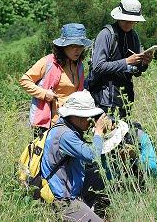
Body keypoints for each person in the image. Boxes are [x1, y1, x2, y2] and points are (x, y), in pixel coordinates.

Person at [40, 90, 109, 222]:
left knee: (99, 174)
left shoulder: (67, 127)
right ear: (76, 116)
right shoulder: (65, 134)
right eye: (88, 117)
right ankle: (76, 212)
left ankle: (89, 207)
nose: (90, 121)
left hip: (70, 187)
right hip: (62, 200)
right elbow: (92, 156)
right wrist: (98, 132)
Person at [20, 23, 92, 138]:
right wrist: (44, 94)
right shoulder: (48, 62)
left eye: (80, 45)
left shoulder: (79, 66)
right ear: (63, 46)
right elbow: (25, 80)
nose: (77, 50)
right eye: (73, 45)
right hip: (47, 125)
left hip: (71, 124)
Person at [87, 0, 154, 119]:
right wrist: (127, 61)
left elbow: (137, 72)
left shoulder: (134, 36)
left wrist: (144, 63)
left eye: (132, 21)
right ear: (118, 17)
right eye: (126, 20)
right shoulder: (106, 34)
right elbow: (98, 66)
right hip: (105, 99)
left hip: (125, 98)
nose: (129, 23)